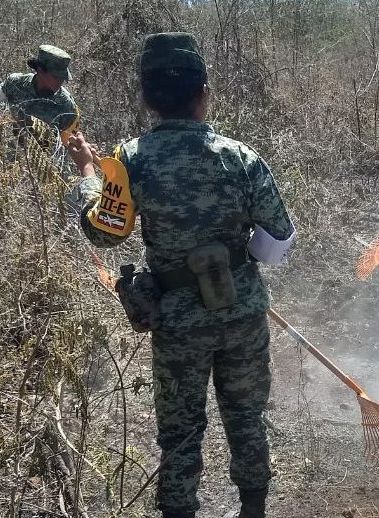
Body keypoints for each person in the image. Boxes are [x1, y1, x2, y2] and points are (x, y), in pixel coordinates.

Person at [67, 33, 295, 518]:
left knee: (180, 431)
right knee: (246, 417)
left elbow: (104, 235)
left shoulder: (128, 159)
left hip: (176, 322)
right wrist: (232, 261)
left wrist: (88, 172)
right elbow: (277, 243)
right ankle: (253, 509)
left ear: (147, 96)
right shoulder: (240, 157)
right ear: (203, 90)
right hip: (243, 313)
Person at [0, 44, 80, 140]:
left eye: (62, 78)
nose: (60, 81)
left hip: (44, 158)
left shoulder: (67, 105)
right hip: (11, 153)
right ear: (40, 70)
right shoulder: (16, 83)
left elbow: (69, 144)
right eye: (56, 77)